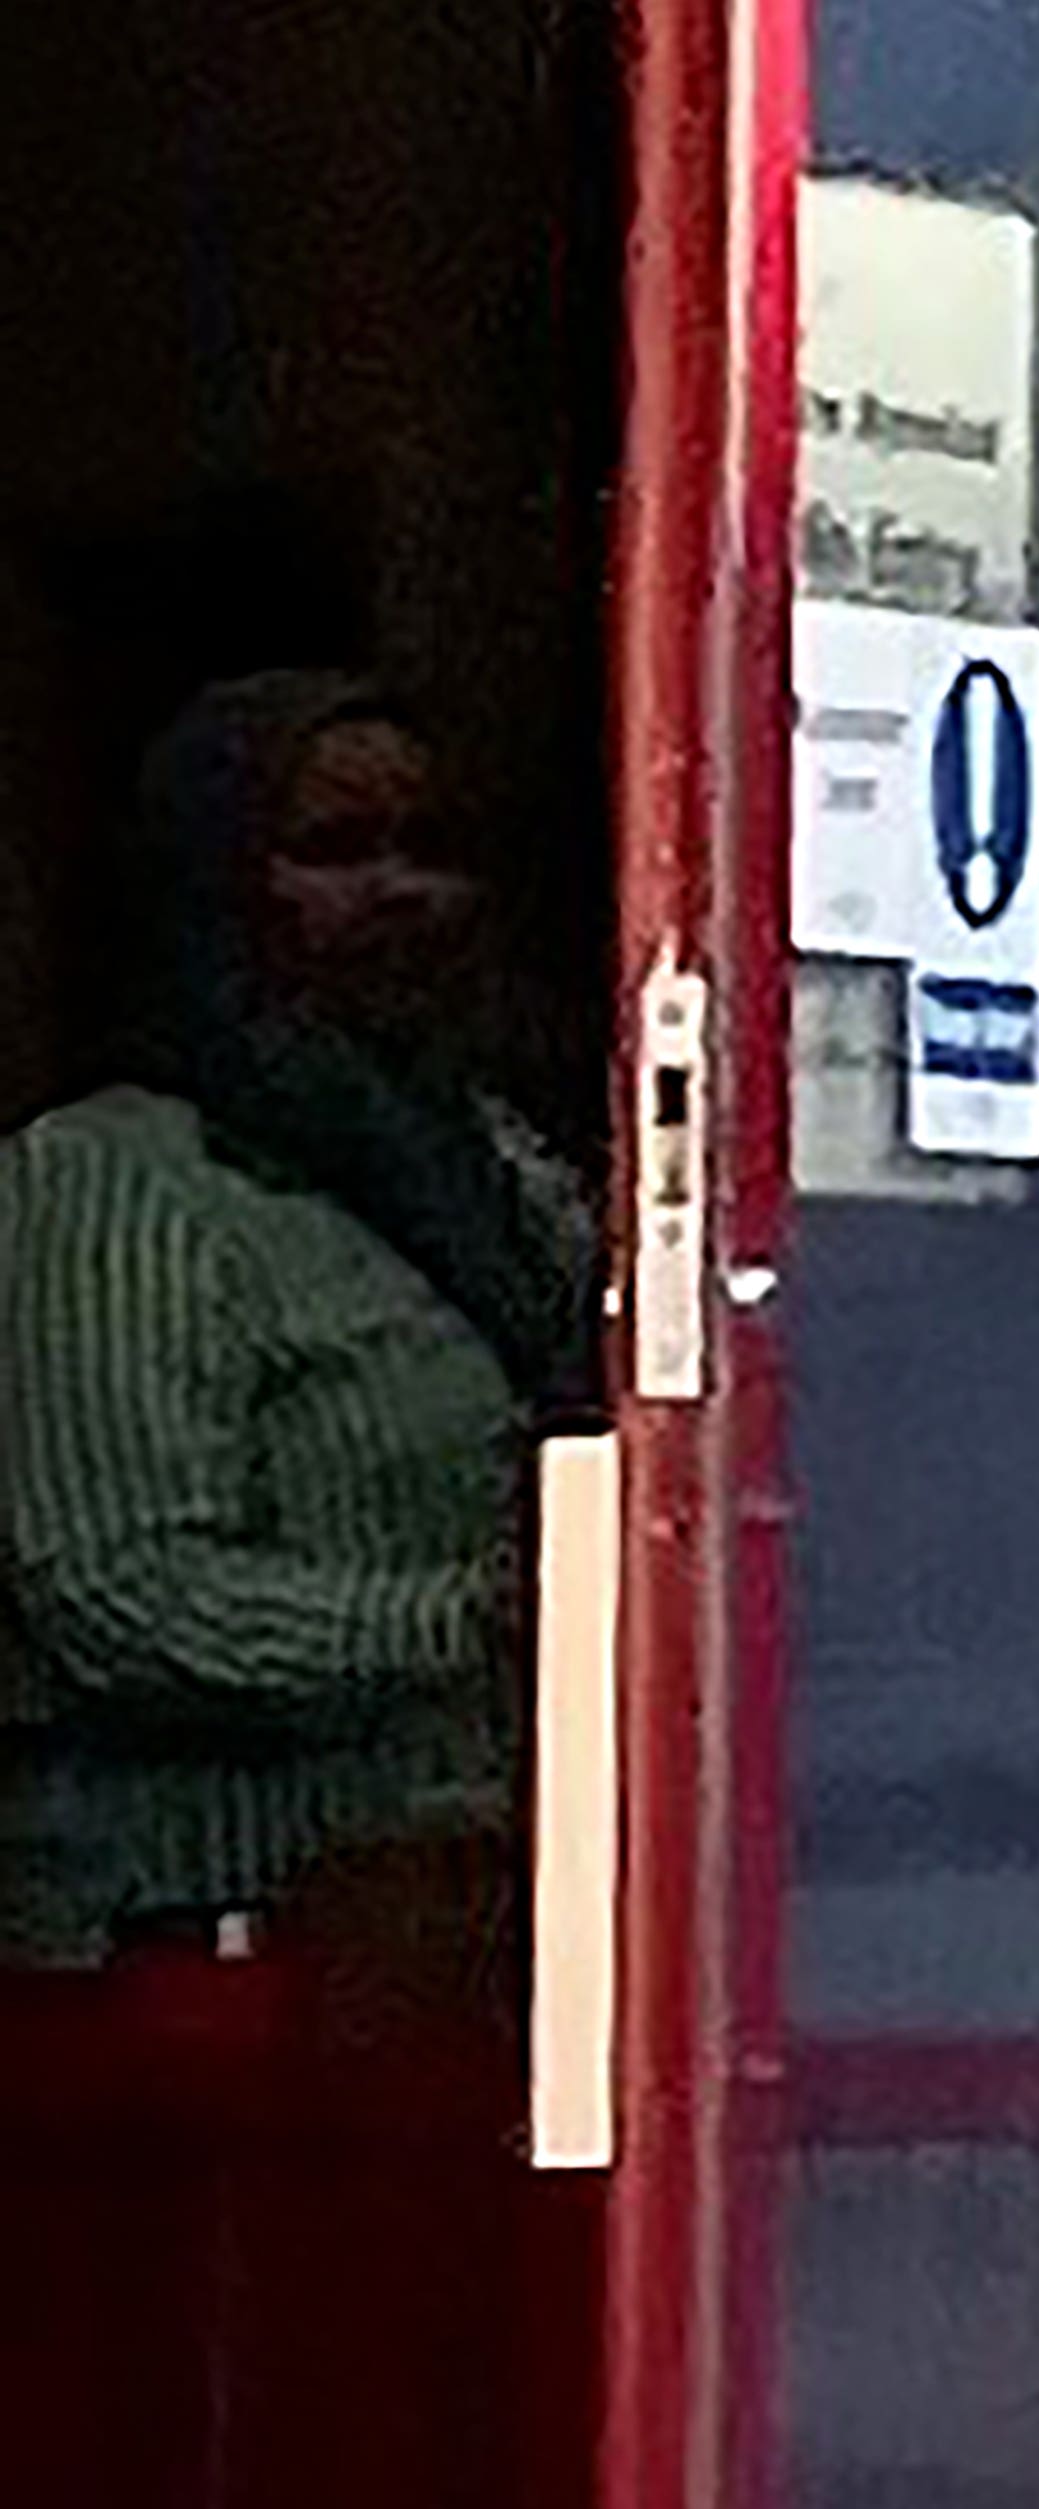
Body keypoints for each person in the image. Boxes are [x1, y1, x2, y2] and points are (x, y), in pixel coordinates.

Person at [0, 670, 593, 1979]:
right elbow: (113, 1586)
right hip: (191, 1958)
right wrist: (478, 1620)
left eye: (432, 850)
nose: (400, 892)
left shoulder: (494, 1168)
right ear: (212, 881)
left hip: (456, 1928)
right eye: (331, 848)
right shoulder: (112, 1183)